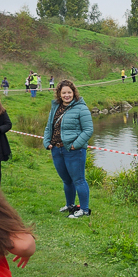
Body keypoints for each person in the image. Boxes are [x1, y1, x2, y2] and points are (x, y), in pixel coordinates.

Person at [43, 79, 94, 219]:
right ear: (59, 94)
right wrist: (46, 142)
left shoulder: (81, 108)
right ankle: (70, 205)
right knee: (66, 180)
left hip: (74, 150)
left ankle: (83, 210)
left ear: (74, 93)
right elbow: (49, 126)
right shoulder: (55, 107)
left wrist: (75, 145)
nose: (66, 95)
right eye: (63, 92)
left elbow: (88, 130)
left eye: (69, 92)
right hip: (57, 149)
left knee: (79, 180)